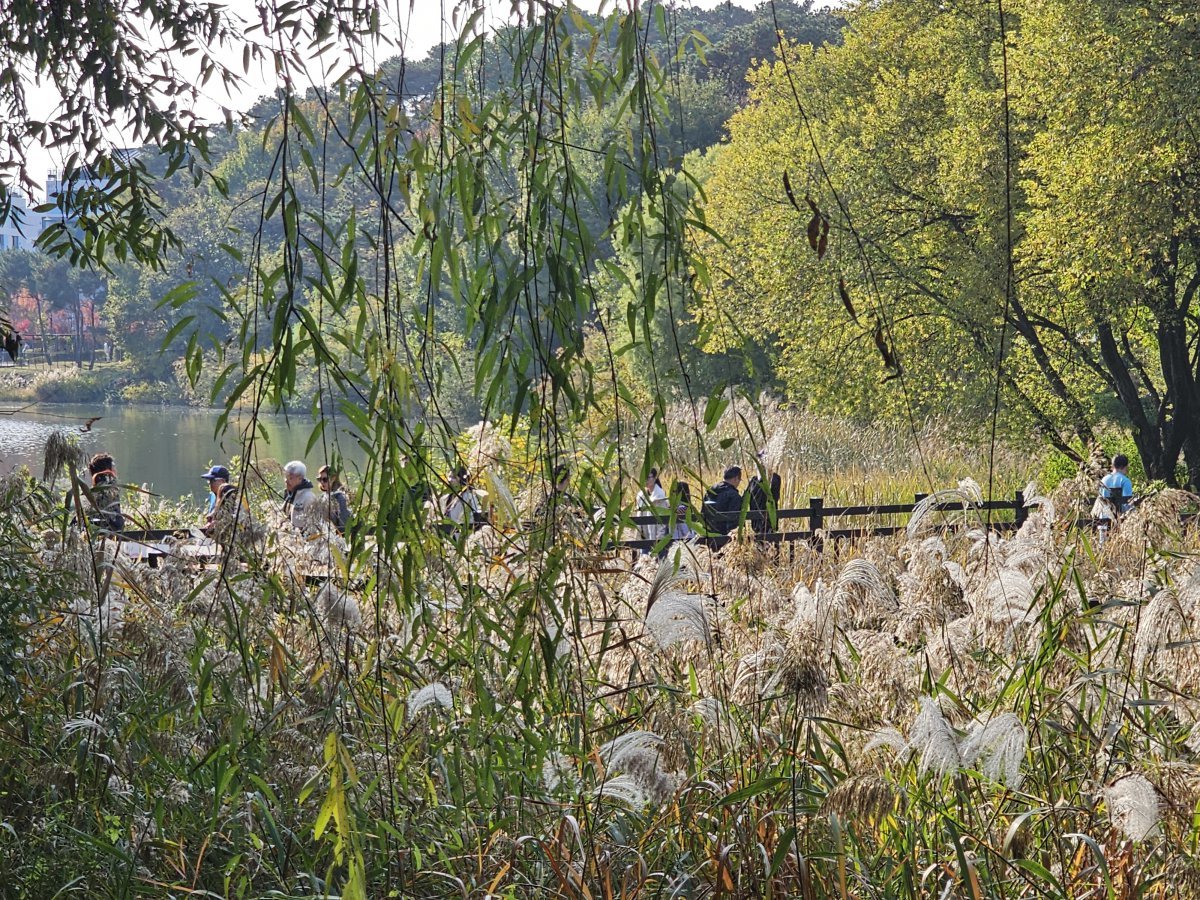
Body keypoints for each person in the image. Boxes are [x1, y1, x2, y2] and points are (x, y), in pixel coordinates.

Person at [84, 451, 124, 532]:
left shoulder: (91, 492)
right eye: (113, 467)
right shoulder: (111, 490)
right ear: (107, 471)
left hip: (91, 531)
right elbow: (115, 521)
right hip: (108, 533)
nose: (115, 470)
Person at [702, 465, 743, 536]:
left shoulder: (710, 491)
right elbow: (733, 520)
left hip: (707, 534)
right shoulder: (734, 496)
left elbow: (702, 512)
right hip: (725, 536)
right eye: (740, 480)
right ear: (736, 478)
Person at [636, 468, 669, 541]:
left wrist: (659, 539)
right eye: (643, 478)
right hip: (644, 538)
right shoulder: (641, 496)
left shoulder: (660, 496)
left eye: (648, 478)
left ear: (654, 478)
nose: (646, 480)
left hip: (656, 538)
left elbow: (662, 520)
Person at [317, 464, 352, 533]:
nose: (322, 482)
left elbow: (343, 524)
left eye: (325, 479)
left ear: (333, 478)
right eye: (319, 479)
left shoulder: (340, 497)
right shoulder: (322, 497)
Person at [282, 460, 317, 526]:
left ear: (300, 478)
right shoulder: (289, 495)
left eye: (290, 478)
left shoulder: (308, 498)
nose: (286, 481)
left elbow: (313, 524)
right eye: (285, 477)